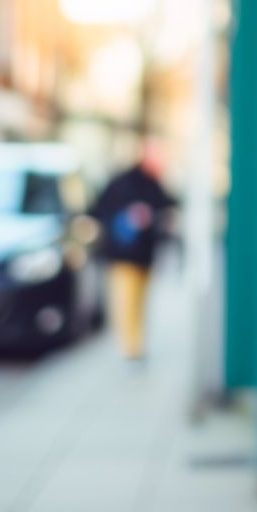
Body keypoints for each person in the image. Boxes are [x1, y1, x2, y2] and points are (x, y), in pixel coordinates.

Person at [91, 142, 177, 360]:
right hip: (122, 255)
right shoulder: (123, 183)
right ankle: (132, 348)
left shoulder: (154, 184)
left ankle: (136, 345)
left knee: (139, 302)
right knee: (126, 302)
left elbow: (169, 206)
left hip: (145, 256)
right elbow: (98, 211)